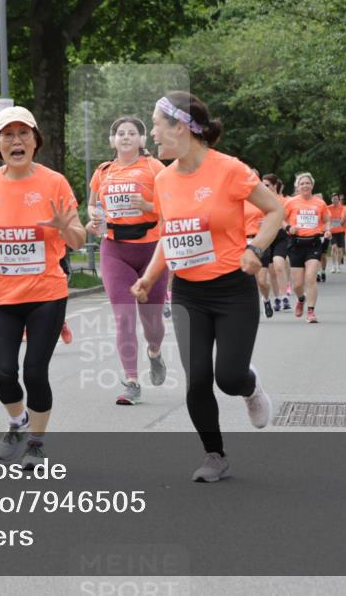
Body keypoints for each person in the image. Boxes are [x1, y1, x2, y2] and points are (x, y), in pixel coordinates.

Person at [130, 91, 284, 483]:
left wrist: (256, 248)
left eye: (157, 127)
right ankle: (214, 455)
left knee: (228, 377)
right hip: (188, 294)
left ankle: (250, 387)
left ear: (180, 128)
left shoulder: (229, 169)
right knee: (197, 377)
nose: (153, 138)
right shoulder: (163, 179)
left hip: (233, 289)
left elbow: (275, 211)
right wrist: (149, 277)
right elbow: (170, 236)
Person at [0, 106, 85, 469]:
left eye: (23, 134)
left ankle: (36, 442)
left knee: (34, 371)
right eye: (8, 135)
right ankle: (18, 422)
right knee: (3, 372)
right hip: (3, 295)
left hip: (47, 292)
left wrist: (66, 227)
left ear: (35, 141)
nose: (16, 141)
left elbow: (77, 240)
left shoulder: (54, 183)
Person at [86, 116, 168, 405]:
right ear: (112, 140)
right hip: (114, 248)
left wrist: (146, 205)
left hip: (151, 250)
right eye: (120, 133)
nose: (125, 137)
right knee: (124, 317)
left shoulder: (155, 168)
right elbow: (94, 205)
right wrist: (94, 220)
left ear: (142, 140)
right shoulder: (103, 172)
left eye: (132, 133)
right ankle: (131, 381)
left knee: (152, 322)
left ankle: (155, 352)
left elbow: (171, 204)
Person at [283, 173, 331, 323]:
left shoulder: (320, 203)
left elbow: (327, 219)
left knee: (310, 278)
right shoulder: (291, 202)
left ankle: (311, 312)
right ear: (297, 186)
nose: (305, 185)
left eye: (307, 183)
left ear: (312, 185)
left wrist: (328, 229)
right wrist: (289, 227)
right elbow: (281, 219)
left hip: (313, 244)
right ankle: (301, 299)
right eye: (302, 183)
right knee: (297, 284)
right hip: (296, 244)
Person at [243, 176, 273, 318]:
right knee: (247, 281)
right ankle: (252, 310)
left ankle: (266, 299)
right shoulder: (237, 199)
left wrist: (265, 223)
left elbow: (275, 215)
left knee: (261, 281)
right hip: (242, 242)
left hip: (259, 241)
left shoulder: (261, 199)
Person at [263, 175, 291, 312]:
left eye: (267, 185)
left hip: (280, 236)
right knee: (271, 270)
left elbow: (290, 216)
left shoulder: (283, 201)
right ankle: (277, 298)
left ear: (274, 186)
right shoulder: (260, 200)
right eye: (263, 185)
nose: (264, 187)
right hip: (267, 236)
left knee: (279, 265)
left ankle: (285, 296)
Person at [328, 193, 346, 273]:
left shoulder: (343, 208)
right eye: (333, 199)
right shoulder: (328, 208)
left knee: (340, 250)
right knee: (334, 248)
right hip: (332, 232)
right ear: (331, 200)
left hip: (341, 231)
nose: (334, 200)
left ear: (339, 200)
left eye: (336, 199)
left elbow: (345, 218)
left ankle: (339, 266)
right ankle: (333, 265)